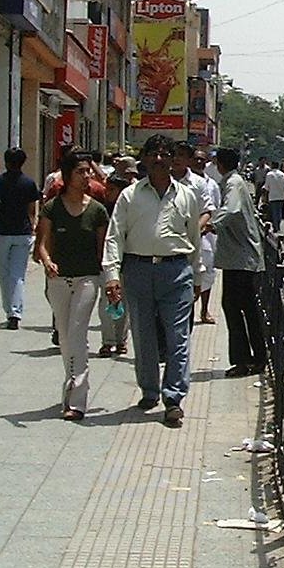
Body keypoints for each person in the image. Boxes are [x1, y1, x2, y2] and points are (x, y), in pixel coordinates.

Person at [103, 135, 202, 427]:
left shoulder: (187, 195)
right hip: (138, 271)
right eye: (153, 154)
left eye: (164, 154)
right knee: (144, 336)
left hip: (176, 273)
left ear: (174, 160)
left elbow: (193, 239)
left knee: (178, 338)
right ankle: (149, 391)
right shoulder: (130, 196)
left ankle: (173, 398)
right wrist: (112, 275)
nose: (158, 160)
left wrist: (196, 277)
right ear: (144, 159)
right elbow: (114, 236)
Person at [36, 150, 108, 420]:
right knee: (65, 337)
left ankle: (78, 399)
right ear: (66, 176)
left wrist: (111, 281)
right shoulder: (52, 207)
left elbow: (103, 252)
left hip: (87, 279)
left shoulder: (98, 211)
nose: (87, 176)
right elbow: (42, 244)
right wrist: (47, 262)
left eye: (88, 171)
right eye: (80, 171)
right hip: (58, 281)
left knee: (77, 333)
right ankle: (70, 384)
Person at [208, 147, 268, 377]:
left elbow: (231, 209)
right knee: (244, 309)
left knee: (235, 308)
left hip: (240, 259)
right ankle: (256, 357)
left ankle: (245, 360)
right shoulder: (234, 181)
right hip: (239, 257)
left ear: (220, 164)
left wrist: (212, 224)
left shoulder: (233, 183)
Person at [175, 145, 220, 323]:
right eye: (197, 159)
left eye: (202, 159)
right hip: (171, 245)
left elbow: (211, 210)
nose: (199, 162)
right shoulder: (164, 180)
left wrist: (196, 230)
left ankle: (203, 310)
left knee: (204, 275)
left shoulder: (205, 184)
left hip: (203, 241)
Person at [0, 147, 39, 330]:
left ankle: (9, 310)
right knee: (18, 275)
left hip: (2, 233)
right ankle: (15, 312)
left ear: (6, 162)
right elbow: (32, 209)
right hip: (23, 232)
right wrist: (32, 227)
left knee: (4, 274)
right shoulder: (29, 183)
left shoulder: (0, 182)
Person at [96, 170, 133, 357]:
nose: (107, 193)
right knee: (106, 303)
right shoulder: (101, 210)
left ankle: (121, 341)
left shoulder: (130, 210)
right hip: (106, 263)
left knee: (123, 303)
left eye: (112, 189)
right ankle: (107, 341)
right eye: (107, 189)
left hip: (127, 263)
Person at [263, 160, 284, 233]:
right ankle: (278, 226)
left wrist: (265, 198)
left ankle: (275, 226)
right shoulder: (282, 174)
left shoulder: (269, 174)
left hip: (272, 196)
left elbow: (266, 187)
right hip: (281, 196)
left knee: (274, 212)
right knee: (279, 212)